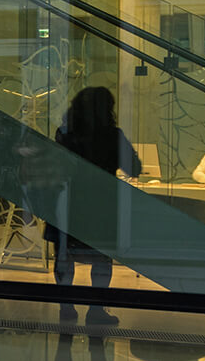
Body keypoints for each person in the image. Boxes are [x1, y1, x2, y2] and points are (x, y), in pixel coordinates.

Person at [50, 86, 142, 326]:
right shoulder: (112, 135)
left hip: (68, 201)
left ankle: (66, 306)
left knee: (64, 256)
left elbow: (56, 168)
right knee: (101, 258)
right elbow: (134, 168)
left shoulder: (64, 133)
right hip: (101, 205)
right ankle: (96, 309)